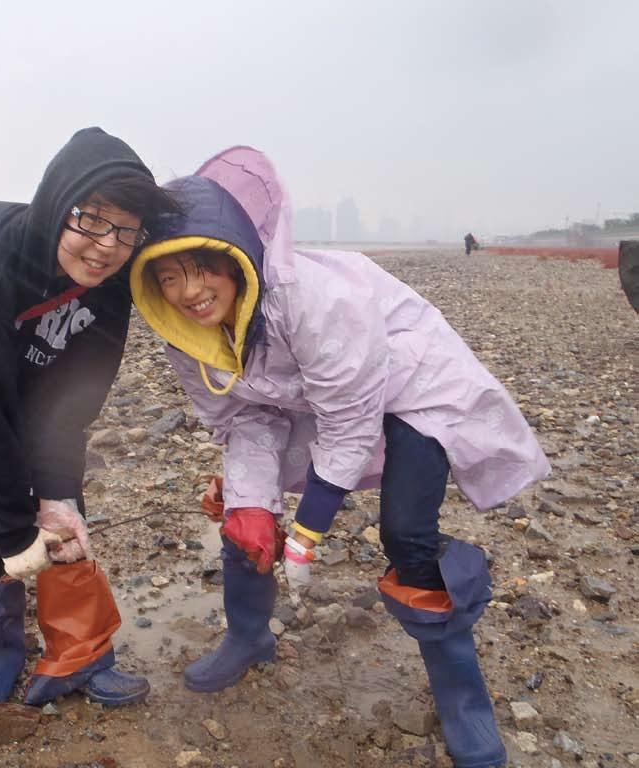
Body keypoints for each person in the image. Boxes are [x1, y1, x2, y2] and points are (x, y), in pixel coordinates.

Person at [128, 146, 550, 767]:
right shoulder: (183, 336)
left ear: (236, 258)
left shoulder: (316, 298)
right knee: (245, 512)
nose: (189, 292)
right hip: (306, 397)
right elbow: (242, 418)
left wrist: (309, 532)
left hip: (411, 386)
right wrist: (252, 507)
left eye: (202, 269)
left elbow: (351, 419)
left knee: (407, 532)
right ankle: (248, 637)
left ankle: (463, 696)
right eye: (169, 276)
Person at [0, 127, 179, 707]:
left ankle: (82, 651)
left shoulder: (112, 280)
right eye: (91, 220)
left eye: (126, 230)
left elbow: (70, 406)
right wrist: (18, 538)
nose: (105, 245)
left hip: (25, 337)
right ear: (56, 206)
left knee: (62, 504)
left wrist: (59, 499)